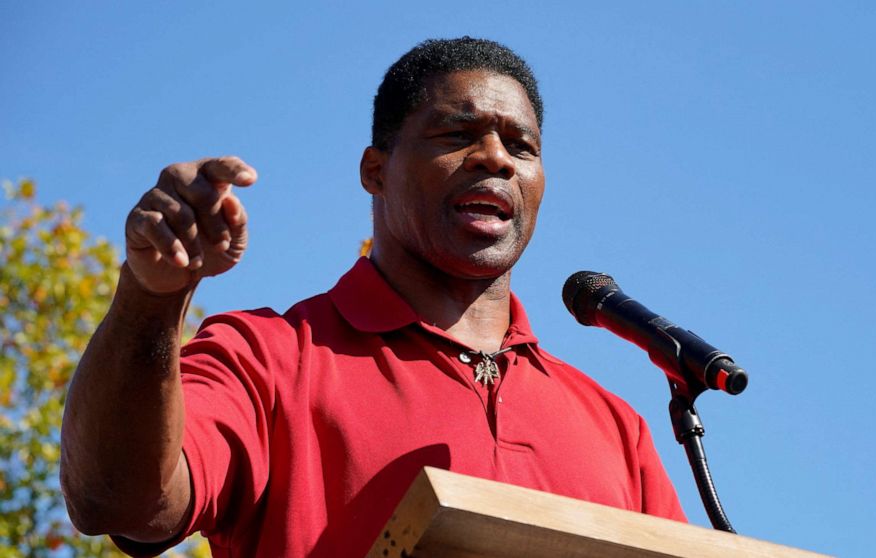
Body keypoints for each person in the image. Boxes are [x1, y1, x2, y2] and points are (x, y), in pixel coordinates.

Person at [60, 37, 686, 557]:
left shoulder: (613, 425)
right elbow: (116, 499)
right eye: (457, 134)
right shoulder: (267, 358)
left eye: (522, 146)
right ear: (375, 171)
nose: (495, 157)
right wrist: (153, 296)